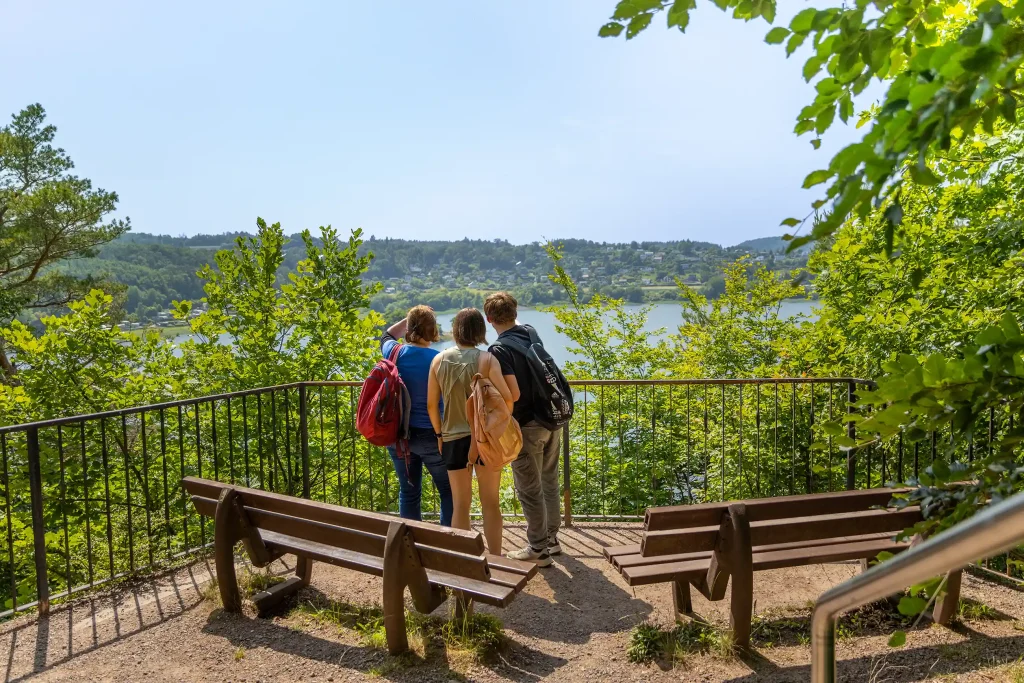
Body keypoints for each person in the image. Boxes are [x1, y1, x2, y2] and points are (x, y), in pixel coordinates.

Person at [427, 308, 516, 554]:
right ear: (480, 331)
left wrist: (439, 434)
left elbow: (431, 405)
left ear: (456, 330)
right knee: (490, 503)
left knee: (460, 505)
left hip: (452, 439)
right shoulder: (487, 360)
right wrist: (496, 426)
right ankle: (496, 559)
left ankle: (463, 565)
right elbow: (507, 400)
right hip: (484, 438)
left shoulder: (438, 360)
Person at [484, 292, 561, 567]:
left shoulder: (499, 350)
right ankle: (552, 539)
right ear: (514, 313)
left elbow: (510, 394)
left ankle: (538, 548)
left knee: (529, 488)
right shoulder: (531, 333)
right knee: (549, 480)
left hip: (527, 424)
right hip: (551, 419)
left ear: (489, 318)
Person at [380, 306, 454, 526]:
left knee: (409, 492)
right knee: (448, 491)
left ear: (410, 329)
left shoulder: (394, 352)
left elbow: (387, 335)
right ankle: (445, 545)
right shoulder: (440, 359)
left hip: (399, 436)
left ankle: (411, 544)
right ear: (433, 331)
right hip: (433, 435)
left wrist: (410, 320)